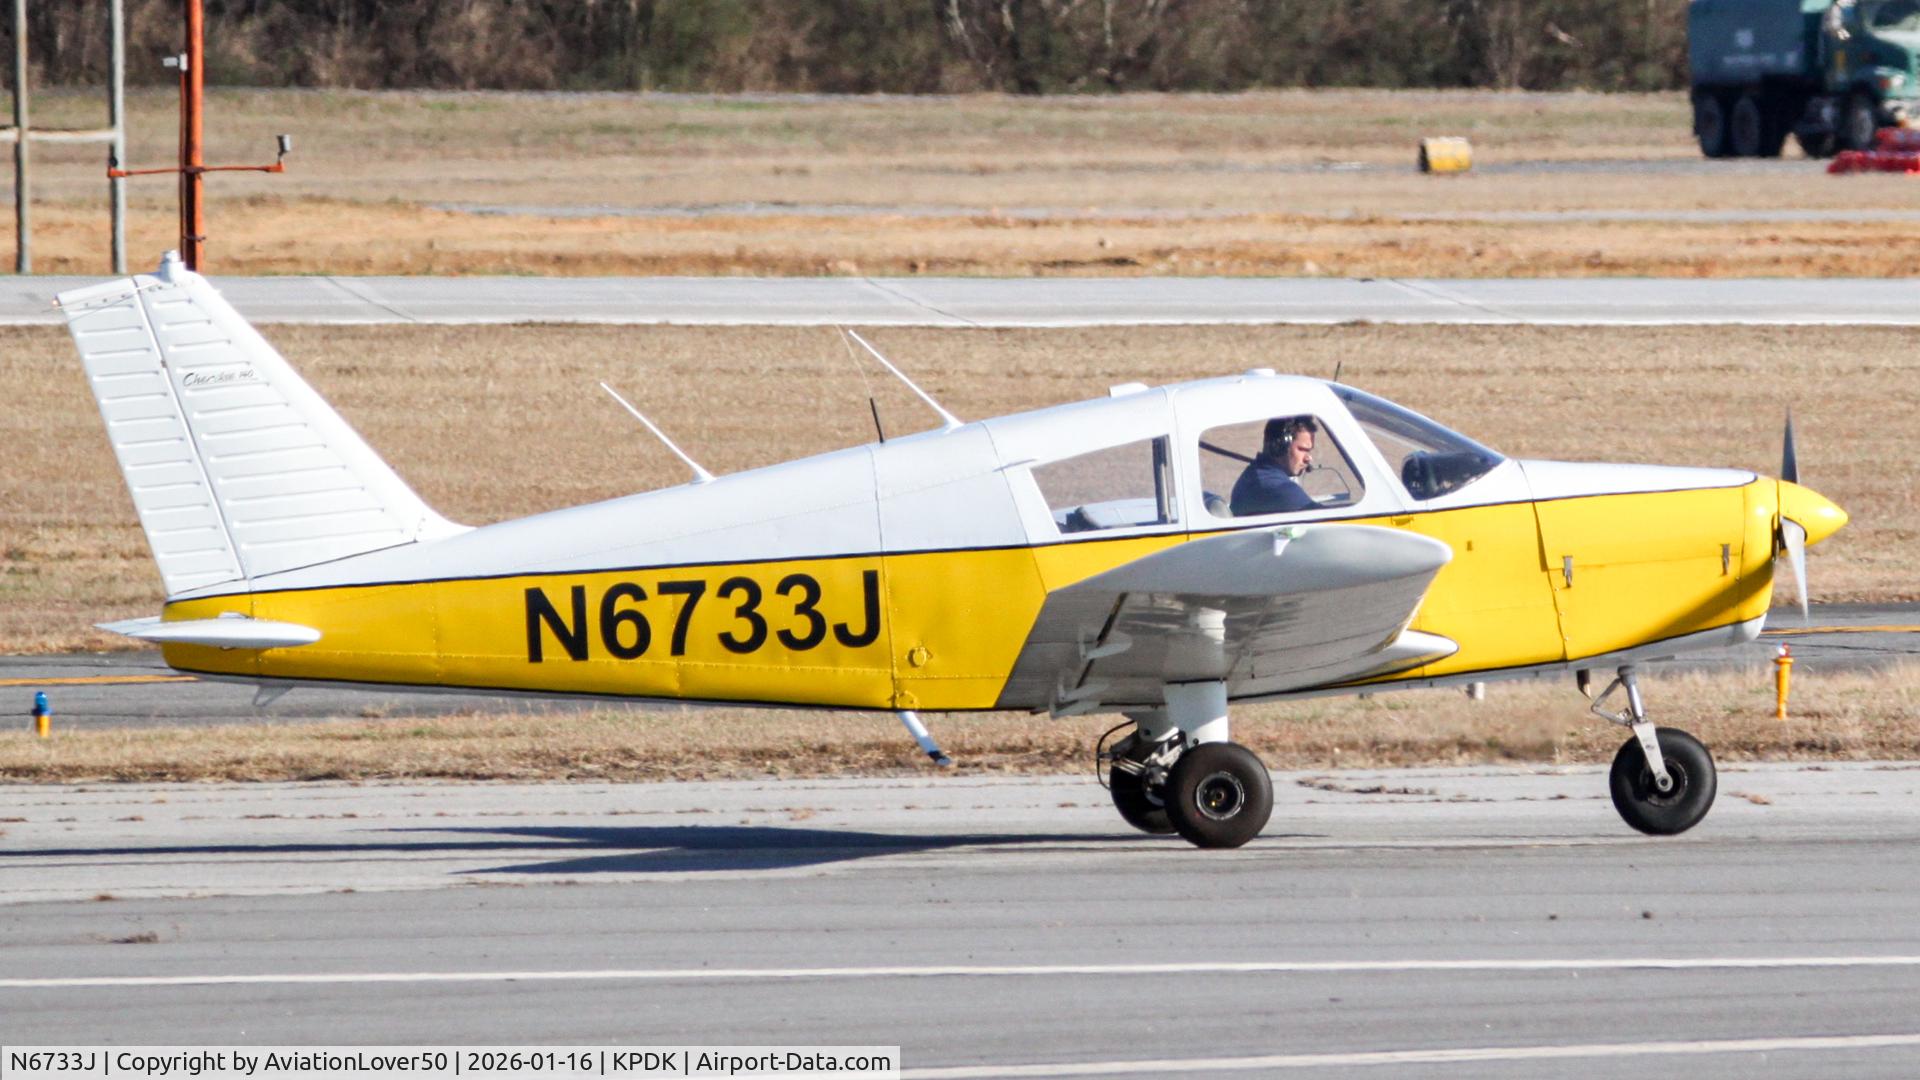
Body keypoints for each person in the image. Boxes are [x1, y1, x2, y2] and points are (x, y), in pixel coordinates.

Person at [1229, 416, 1318, 516]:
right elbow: (1324, 518)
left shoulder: (1257, 474)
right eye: (1302, 449)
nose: (1308, 458)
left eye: (1309, 451)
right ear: (1279, 446)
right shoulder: (1276, 487)